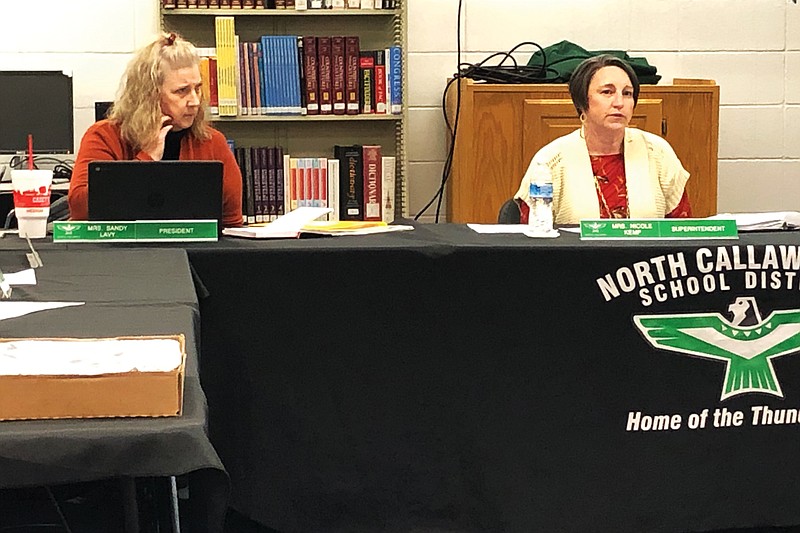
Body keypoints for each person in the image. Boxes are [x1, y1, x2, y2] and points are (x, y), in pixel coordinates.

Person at [68, 32, 243, 227]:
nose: (194, 101)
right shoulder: (104, 136)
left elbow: (231, 225)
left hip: (195, 253)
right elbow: (80, 208)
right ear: (149, 95)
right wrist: (147, 158)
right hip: (119, 254)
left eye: (198, 88)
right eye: (181, 91)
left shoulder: (212, 142)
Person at [513, 54, 692, 224]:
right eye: (607, 92)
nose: (619, 102)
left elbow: (683, 234)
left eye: (627, 93)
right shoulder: (550, 161)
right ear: (583, 101)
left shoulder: (658, 153)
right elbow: (532, 241)